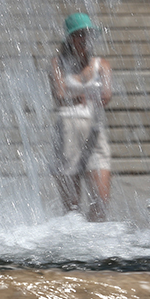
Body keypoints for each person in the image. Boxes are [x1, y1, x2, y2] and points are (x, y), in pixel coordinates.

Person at [49, 13, 113, 222]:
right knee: (72, 209)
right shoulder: (58, 64)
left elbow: (107, 94)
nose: (84, 39)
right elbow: (59, 96)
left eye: (87, 34)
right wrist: (83, 94)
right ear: (69, 38)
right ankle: (78, 246)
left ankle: (95, 241)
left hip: (95, 132)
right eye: (79, 35)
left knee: (101, 202)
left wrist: (91, 95)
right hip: (68, 132)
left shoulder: (102, 64)